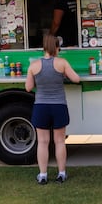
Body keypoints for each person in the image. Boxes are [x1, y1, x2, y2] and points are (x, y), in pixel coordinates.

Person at [25, 33, 80, 185]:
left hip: (41, 106)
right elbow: (76, 79)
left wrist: (39, 81)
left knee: (42, 142)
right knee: (60, 141)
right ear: (56, 47)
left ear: (44, 47)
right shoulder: (62, 63)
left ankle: (42, 175)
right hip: (59, 106)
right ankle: (61, 174)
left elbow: (28, 87)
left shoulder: (34, 65)